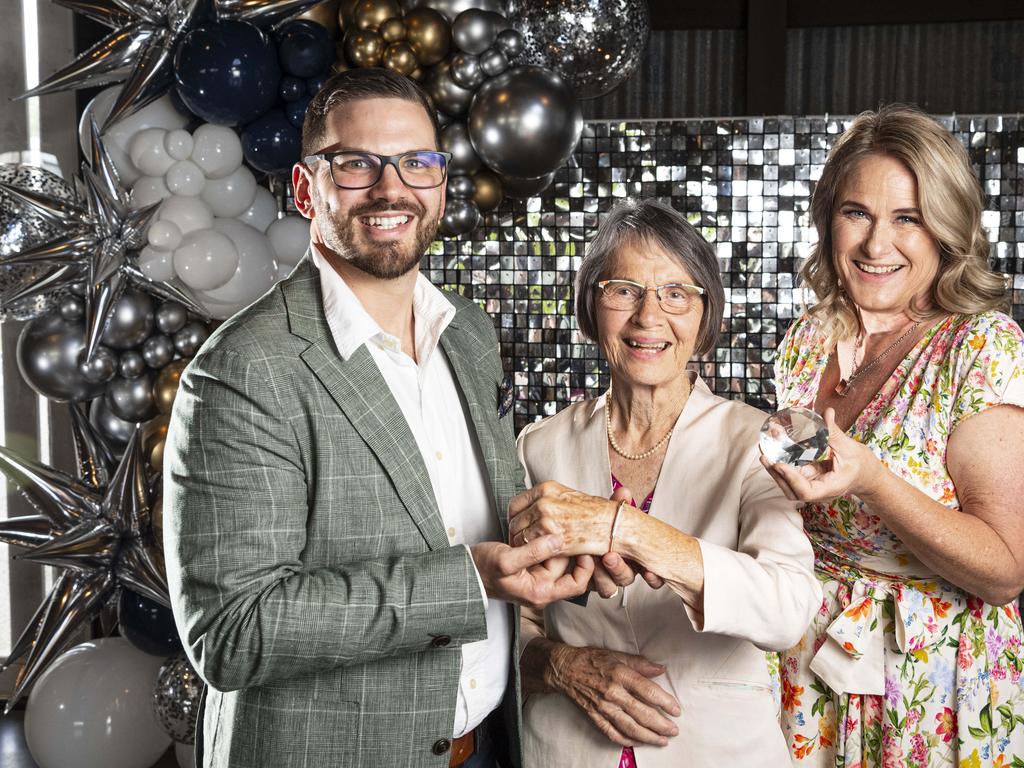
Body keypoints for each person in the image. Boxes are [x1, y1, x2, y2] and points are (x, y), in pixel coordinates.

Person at [162, 68, 593, 768]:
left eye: (417, 163)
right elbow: (236, 633)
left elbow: (467, 514)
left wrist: (556, 544)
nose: (393, 189)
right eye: (358, 164)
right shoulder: (244, 370)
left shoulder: (470, 335)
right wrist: (472, 577)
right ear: (306, 189)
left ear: (441, 183)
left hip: (486, 747)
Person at [506, 198, 822, 767]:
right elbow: (505, 623)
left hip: (716, 749)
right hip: (566, 747)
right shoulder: (538, 446)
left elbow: (788, 609)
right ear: (591, 306)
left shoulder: (756, 441)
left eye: (677, 293)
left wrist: (628, 531)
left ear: (704, 317)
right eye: (623, 289)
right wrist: (558, 664)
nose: (648, 317)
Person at [761, 104, 1024, 766]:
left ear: (946, 230)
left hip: (929, 686)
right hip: (807, 667)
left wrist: (875, 481)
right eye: (858, 213)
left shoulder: (981, 348)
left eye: (907, 218)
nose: (877, 246)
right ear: (828, 221)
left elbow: (1004, 571)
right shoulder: (806, 343)